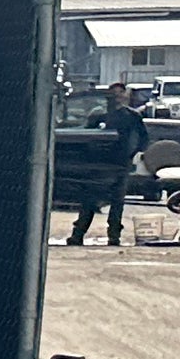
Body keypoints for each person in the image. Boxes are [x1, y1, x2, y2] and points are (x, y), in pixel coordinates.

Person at [68, 81, 146, 246]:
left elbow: (143, 138)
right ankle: (78, 234)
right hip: (97, 164)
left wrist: (132, 155)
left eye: (119, 94)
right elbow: (85, 135)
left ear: (125, 95)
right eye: (113, 94)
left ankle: (114, 236)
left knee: (117, 202)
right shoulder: (98, 115)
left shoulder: (132, 116)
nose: (116, 98)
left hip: (120, 164)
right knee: (89, 200)